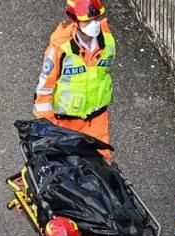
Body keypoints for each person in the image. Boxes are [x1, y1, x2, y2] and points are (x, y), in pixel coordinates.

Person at [34, 0, 116, 161]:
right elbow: (44, 90)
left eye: (96, 18)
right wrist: (47, 125)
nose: (93, 24)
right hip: (64, 122)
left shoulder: (108, 42)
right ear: (75, 20)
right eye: (87, 20)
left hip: (96, 119)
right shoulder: (60, 49)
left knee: (100, 164)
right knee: (65, 168)